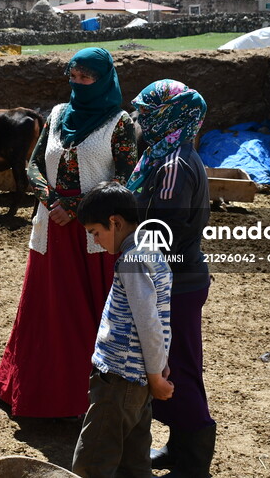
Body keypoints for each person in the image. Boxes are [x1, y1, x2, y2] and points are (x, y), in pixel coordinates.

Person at [0, 47, 137, 418]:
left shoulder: (120, 124)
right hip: (51, 229)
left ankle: (82, 401)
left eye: (87, 77)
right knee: (43, 309)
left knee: (87, 312)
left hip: (93, 234)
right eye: (74, 75)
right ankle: (25, 389)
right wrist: (52, 200)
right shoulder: (57, 115)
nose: (78, 83)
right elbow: (34, 163)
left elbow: (126, 176)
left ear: (104, 80)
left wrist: (77, 206)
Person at [128, 79, 216, 477]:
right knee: (177, 363)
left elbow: (165, 226)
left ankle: (193, 462)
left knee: (174, 366)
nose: (139, 120)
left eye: (147, 113)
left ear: (169, 116)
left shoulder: (172, 164)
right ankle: (180, 447)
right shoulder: (163, 155)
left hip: (174, 279)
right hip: (176, 276)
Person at [71, 181, 173, 478]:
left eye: (96, 233)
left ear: (114, 222)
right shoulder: (150, 250)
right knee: (134, 464)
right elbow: (162, 316)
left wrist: (156, 377)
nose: (96, 241)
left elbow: (148, 322)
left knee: (92, 464)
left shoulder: (132, 261)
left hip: (119, 379)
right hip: (138, 380)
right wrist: (159, 365)